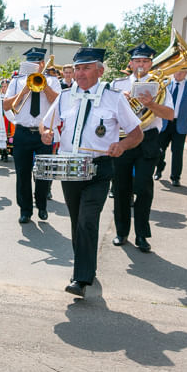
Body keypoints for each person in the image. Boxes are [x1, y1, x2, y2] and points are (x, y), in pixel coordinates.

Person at [39, 48, 143, 297]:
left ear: (100, 70)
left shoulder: (114, 98)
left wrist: (122, 145)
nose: (80, 73)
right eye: (77, 68)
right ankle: (87, 268)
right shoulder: (64, 97)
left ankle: (80, 278)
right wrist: (46, 133)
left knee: (87, 220)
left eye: (86, 68)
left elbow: (136, 133)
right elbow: (46, 122)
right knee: (77, 222)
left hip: (99, 167)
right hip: (70, 167)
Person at [109, 42, 174, 253]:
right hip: (124, 138)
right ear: (130, 63)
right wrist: (121, 102)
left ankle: (142, 235)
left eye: (145, 61)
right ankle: (121, 232)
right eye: (137, 61)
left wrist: (151, 104)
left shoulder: (159, 85)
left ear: (150, 64)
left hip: (148, 139)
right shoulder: (117, 85)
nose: (141, 65)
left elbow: (170, 115)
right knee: (120, 187)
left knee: (144, 188)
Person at [3, 47, 61, 224]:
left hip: (44, 133)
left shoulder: (52, 80)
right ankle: (25, 210)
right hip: (22, 132)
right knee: (22, 173)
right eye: (31, 63)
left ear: (42, 64)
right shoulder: (16, 81)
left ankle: (42, 206)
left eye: (37, 63)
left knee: (43, 172)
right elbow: (5, 106)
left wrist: (43, 87)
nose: (34, 66)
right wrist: (24, 92)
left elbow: (58, 102)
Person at [155, 69, 187, 187]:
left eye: (181, 72)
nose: (178, 74)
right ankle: (159, 168)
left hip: (181, 124)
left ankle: (175, 177)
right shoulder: (165, 84)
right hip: (165, 123)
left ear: (186, 73)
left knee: (177, 152)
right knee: (159, 150)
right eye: (176, 71)